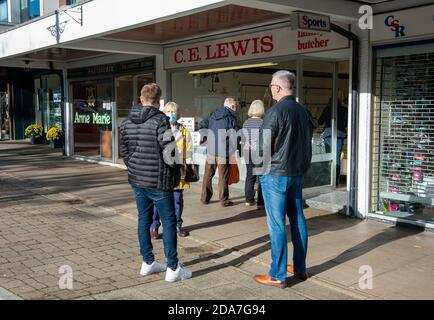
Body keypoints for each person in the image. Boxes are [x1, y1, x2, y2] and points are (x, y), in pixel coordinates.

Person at [120, 83, 192, 282]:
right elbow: (170, 153)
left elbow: (124, 151)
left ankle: (148, 262)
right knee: (169, 222)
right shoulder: (161, 120)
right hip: (160, 182)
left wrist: (134, 167)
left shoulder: (127, 122)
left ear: (141, 98)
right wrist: (175, 173)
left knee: (143, 219)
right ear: (158, 102)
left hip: (138, 180)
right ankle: (173, 267)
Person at [255, 71, 314, 287]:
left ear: (277, 88)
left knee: (277, 223)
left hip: (276, 174)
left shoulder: (275, 112)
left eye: (271, 85)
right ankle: (299, 266)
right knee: (297, 219)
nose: (270, 88)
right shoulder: (303, 111)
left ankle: (277, 274)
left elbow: (263, 146)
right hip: (296, 173)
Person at [151, 102, 192, 239]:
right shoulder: (160, 129)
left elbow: (189, 151)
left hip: (178, 171)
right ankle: (155, 227)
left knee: (177, 200)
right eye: (168, 112)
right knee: (158, 201)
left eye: (173, 112)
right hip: (162, 172)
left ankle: (177, 226)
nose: (171, 114)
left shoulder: (184, 132)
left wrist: (188, 168)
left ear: (178, 114)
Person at [199, 97, 239, 207]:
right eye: (235, 106)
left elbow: (202, 124)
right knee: (223, 177)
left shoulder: (213, 114)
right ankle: (224, 200)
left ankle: (204, 198)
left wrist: (207, 137)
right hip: (223, 151)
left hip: (211, 149)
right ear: (232, 106)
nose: (236, 108)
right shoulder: (231, 117)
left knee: (208, 175)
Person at [317, 97, 348, 186]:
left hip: (328, 135)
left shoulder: (327, 109)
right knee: (337, 157)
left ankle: (329, 179)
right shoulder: (344, 110)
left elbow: (320, 121)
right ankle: (336, 180)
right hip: (340, 135)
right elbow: (347, 122)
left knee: (329, 157)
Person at [241, 100, 265, 209]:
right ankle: (260, 203)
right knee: (261, 177)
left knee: (249, 176)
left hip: (247, 152)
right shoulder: (263, 123)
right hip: (258, 152)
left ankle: (249, 200)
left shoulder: (246, 123)